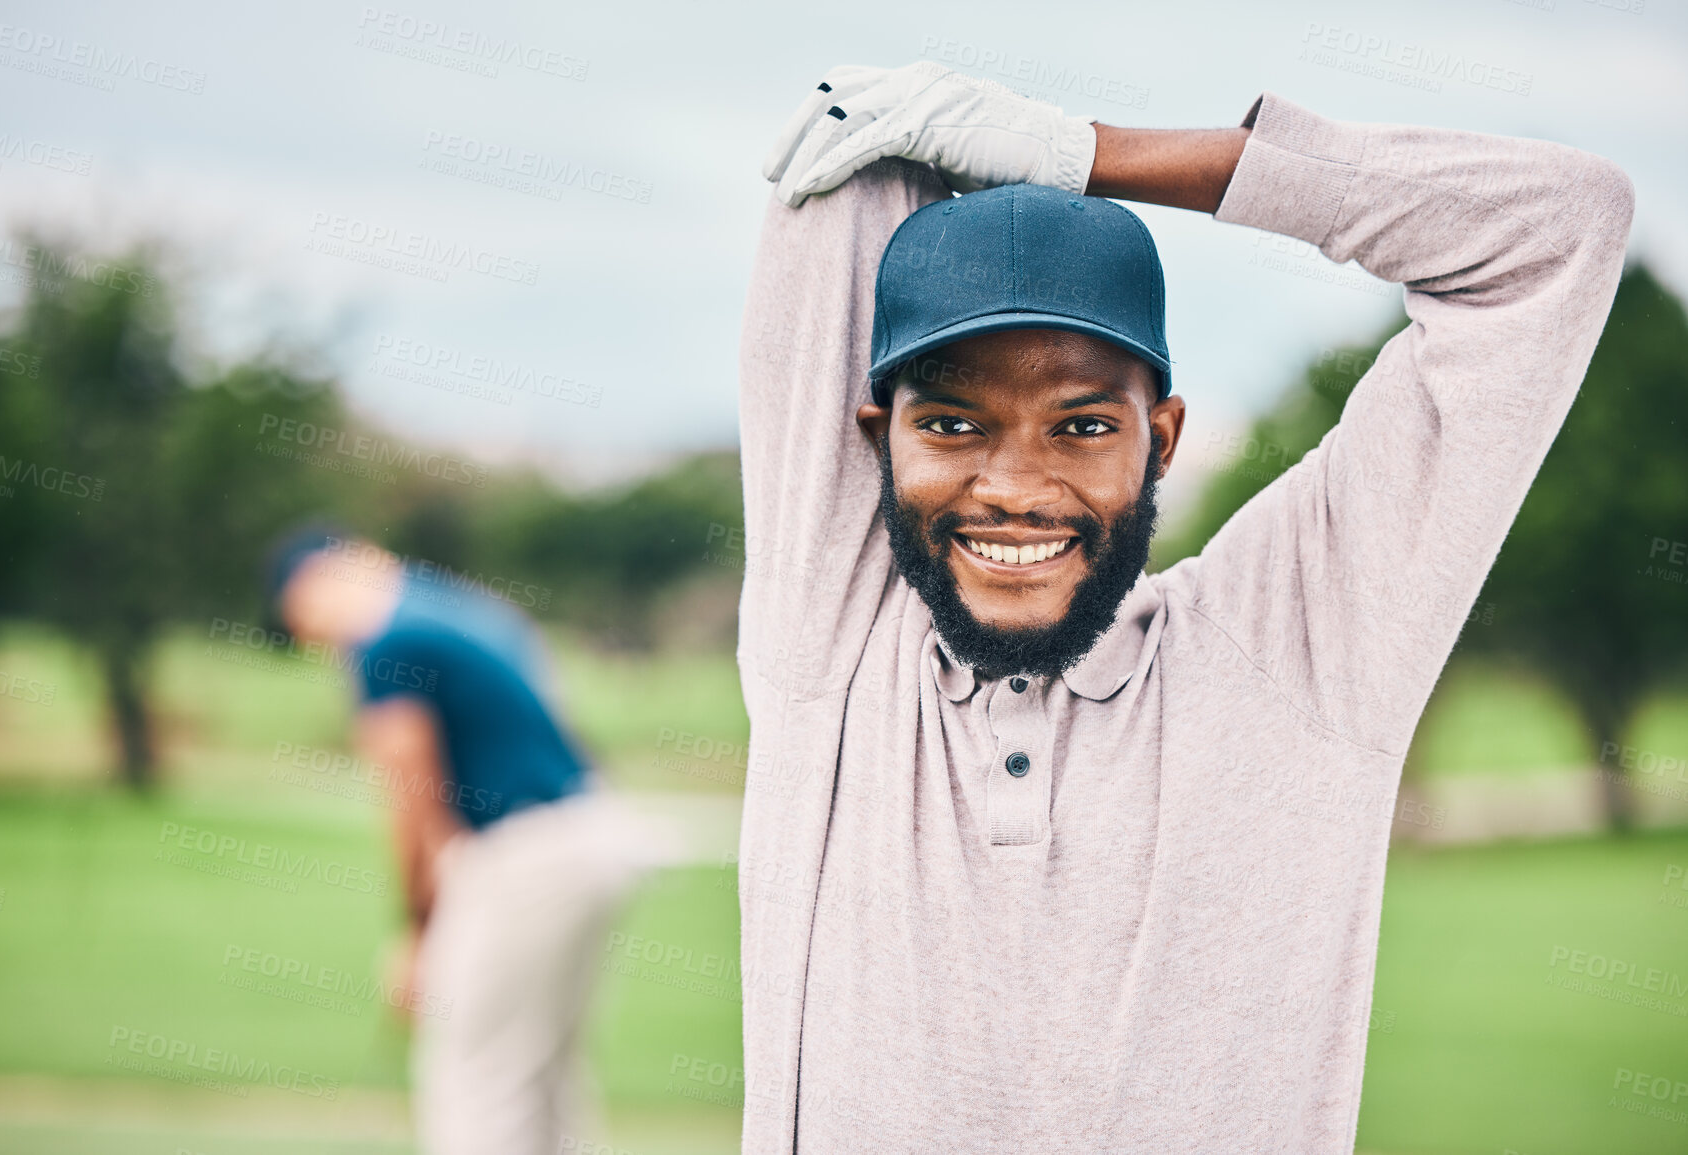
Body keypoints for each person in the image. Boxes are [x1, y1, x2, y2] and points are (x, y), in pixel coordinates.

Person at [735, 62, 1633, 1151]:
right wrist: (946, 151)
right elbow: (848, 162)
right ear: (877, 438)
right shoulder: (831, 647)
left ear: (1159, 438)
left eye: (1080, 426)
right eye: (955, 426)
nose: (1015, 488)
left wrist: (1086, 155)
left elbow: (1559, 226)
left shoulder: (1300, 650)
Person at [264, 530, 683, 1154]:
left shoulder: (386, 638)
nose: (314, 643)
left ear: (312, 585)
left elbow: (412, 799)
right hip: (589, 833)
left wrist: (417, 933)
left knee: (475, 1078)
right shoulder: (454, 605)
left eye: (299, 622)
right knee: (543, 1072)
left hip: (528, 857)